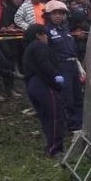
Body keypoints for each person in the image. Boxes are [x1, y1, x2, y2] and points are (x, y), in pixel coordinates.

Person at [22, 24, 65, 156]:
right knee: (54, 116)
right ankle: (55, 149)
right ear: (38, 35)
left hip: (32, 85)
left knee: (46, 117)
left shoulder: (28, 49)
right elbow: (44, 64)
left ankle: (50, 146)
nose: (46, 37)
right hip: (43, 85)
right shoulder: (38, 46)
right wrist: (55, 76)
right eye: (44, 34)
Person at [43, 0, 83, 131]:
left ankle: (78, 123)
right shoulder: (46, 31)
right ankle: (68, 124)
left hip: (72, 65)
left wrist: (79, 67)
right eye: (55, 13)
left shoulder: (65, 30)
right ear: (48, 15)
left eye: (61, 13)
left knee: (77, 95)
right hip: (61, 66)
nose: (58, 16)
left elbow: (72, 49)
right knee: (67, 97)